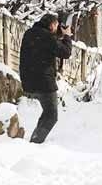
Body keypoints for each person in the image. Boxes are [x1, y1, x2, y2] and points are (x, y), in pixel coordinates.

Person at [19, 13, 72, 144]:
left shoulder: (29, 33)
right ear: (52, 25)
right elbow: (65, 52)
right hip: (44, 81)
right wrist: (67, 36)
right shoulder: (47, 37)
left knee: (47, 113)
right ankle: (36, 142)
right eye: (56, 26)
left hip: (27, 79)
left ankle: (36, 138)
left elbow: (45, 47)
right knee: (51, 115)